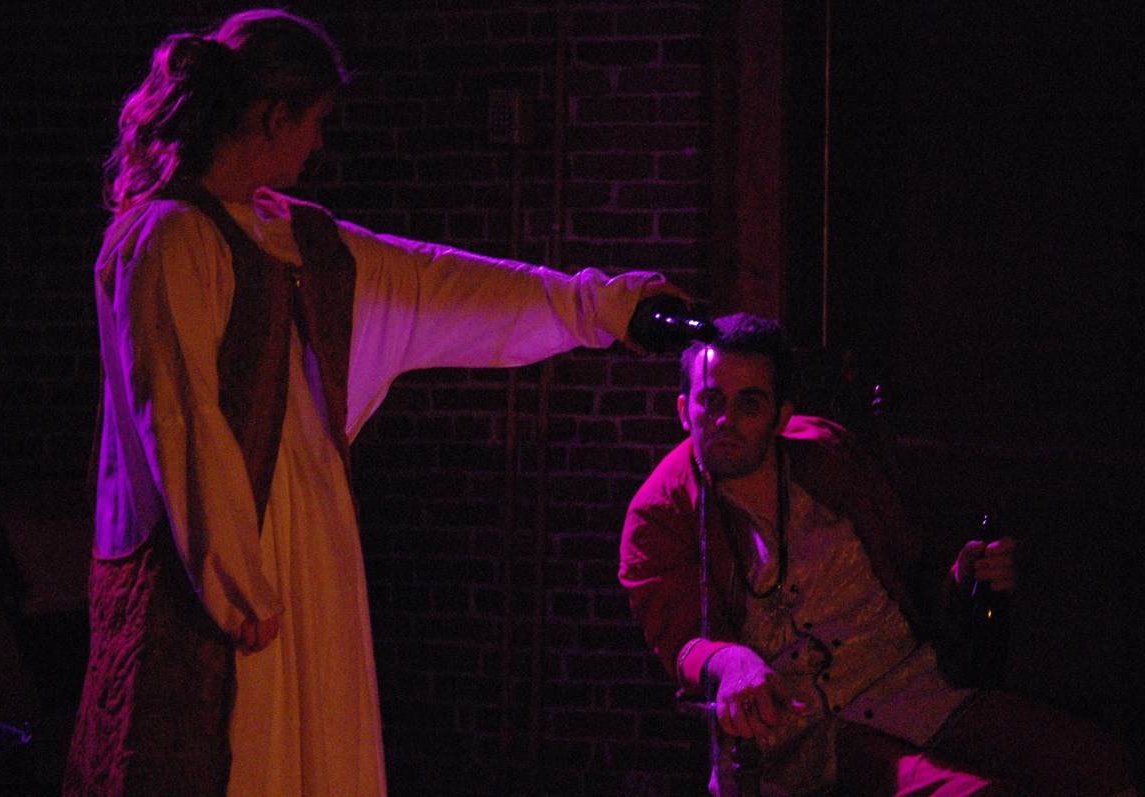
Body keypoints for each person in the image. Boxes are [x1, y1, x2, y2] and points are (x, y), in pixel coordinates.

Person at [64, 9, 681, 797]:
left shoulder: (299, 237)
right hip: (220, 552)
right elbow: (179, 413)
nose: (318, 143)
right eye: (315, 121)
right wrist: (234, 576)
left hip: (310, 540)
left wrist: (606, 308)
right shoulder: (168, 235)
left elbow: (438, 284)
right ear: (274, 116)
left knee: (315, 749)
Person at [619, 313, 1136, 796]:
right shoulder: (661, 513)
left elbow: (907, 561)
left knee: (1100, 765)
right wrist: (729, 660)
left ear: (780, 416)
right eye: (710, 401)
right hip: (808, 729)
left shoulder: (826, 454)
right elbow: (681, 641)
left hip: (911, 687)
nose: (724, 420)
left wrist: (963, 576)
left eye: (749, 403)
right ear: (684, 410)